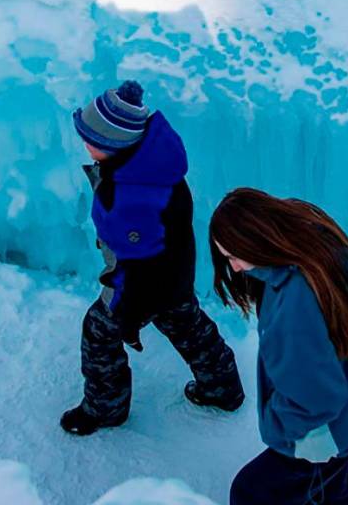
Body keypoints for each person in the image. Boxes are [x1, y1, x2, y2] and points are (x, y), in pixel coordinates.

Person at [60, 80, 244, 436]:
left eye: (91, 139)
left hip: (144, 283)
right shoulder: (153, 163)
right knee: (185, 321)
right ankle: (223, 388)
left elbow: (137, 266)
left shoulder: (129, 195)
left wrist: (127, 312)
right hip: (175, 272)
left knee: (99, 332)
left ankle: (104, 408)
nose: (84, 143)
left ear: (115, 144)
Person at [209, 188, 348, 505]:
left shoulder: (295, 303)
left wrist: (280, 423)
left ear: (254, 242)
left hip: (321, 435)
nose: (233, 268)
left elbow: (318, 398)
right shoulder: (314, 251)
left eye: (233, 256)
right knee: (335, 486)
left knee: (250, 491)